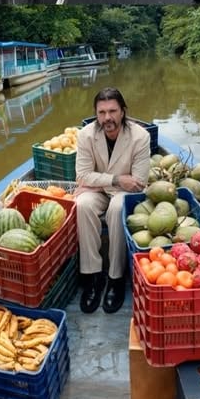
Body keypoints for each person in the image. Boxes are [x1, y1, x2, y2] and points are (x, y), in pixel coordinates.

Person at [74, 88, 151, 314]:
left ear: (123, 111)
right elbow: (81, 176)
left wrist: (94, 182)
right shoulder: (86, 135)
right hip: (102, 190)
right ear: (96, 114)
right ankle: (92, 276)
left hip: (122, 195)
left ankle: (115, 278)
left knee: (117, 208)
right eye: (102, 112)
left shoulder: (140, 137)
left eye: (113, 111)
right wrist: (117, 179)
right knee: (83, 205)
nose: (107, 117)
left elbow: (138, 183)